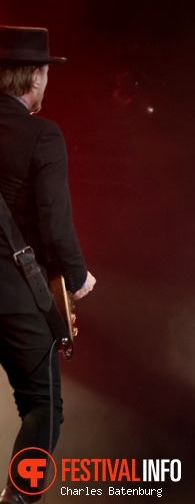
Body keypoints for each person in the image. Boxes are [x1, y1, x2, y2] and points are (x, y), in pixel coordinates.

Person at [0, 26, 96, 503]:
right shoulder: (42, 134)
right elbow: (56, 225)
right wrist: (77, 279)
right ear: (35, 76)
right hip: (12, 297)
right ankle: (17, 499)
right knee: (43, 406)